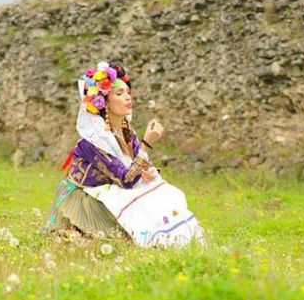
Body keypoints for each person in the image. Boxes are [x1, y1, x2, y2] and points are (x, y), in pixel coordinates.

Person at [40, 58, 205, 247]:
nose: (128, 97)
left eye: (128, 92)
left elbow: (137, 166)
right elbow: (127, 180)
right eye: (119, 93)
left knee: (162, 191)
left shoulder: (125, 130)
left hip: (113, 188)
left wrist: (150, 170)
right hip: (88, 198)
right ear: (104, 103)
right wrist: (147, 144)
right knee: (123, 226)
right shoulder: (93, 141)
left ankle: (175, 237)